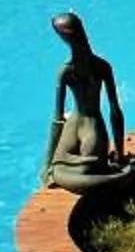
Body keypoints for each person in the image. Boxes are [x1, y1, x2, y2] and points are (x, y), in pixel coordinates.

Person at [42, 12, 130, 192]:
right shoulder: (96, 67)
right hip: (82, 127)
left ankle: (116, 175)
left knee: (79, 170)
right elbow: (114, 110)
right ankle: (119, 174)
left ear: (64, 38)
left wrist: (48, 166)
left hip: (83, 127)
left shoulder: (72, 71)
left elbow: (57, 119)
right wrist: (119, 155)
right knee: (75, 169)